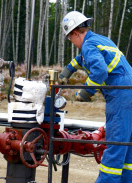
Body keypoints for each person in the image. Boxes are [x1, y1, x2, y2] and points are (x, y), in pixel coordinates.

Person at [59, 11, 132, 183]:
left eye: (71, 38)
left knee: (114, 148)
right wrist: (68, 70)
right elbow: (83, 58)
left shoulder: (88, 45)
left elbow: (99, 72)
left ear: (75, 33)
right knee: (127, 149)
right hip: (128, 90)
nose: (73, 43)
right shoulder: (98, 39)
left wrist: (84, 92)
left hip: (120, 94)